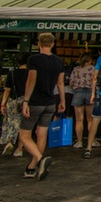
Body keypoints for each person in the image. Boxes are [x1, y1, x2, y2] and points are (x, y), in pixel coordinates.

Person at [19, 32, 64, 180]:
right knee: (42, 134)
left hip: (35, 101)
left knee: (24, 135)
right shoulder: (59, 61)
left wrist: (26, 100)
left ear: (38, 43)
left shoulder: (34, 59)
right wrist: (62, 101)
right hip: (50, 102)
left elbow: (31, 80)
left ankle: (39, 158)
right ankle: (32, 167)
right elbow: (60, 83)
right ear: (53, 44)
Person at [0, 52, 29, 156]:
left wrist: (3, 104)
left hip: (13, 100)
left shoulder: (11, 73)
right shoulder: (31, 73)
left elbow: (7, 90)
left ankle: (9, 142)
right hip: (26, 101)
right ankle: (20, 149)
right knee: (23, 125)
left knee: (10, 122)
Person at [69, 53, 95, 148]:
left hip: (78, 93)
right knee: (90, 120)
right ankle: (92, 141)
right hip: (89, 92)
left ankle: (79, 141)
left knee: (79, 120)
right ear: (89, 60)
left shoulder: (76, 69)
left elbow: (71, 83)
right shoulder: (93, 69)